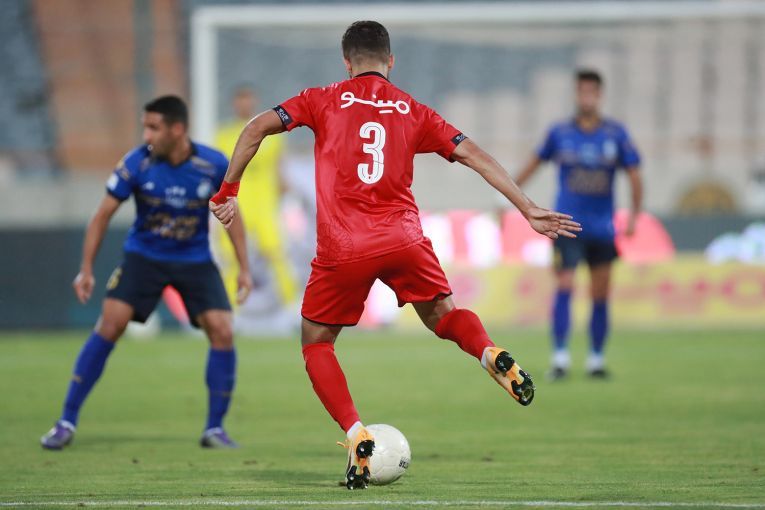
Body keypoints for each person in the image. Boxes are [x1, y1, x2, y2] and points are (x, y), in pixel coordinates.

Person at [209, 21, 580, 489]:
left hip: (344, 245)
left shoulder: (321, 99)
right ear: (391, 60)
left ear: (347, 62)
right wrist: (526, 207)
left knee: (317, 343)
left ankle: (355, 434)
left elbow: (256, 128)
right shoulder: (414, 109)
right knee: (445, 316)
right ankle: (488, 350)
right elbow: (474, 155)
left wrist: (228, 190)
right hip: (404, 240)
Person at [40, 96, 252, 450]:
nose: (146, 135)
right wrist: (86, 269)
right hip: (144, 258)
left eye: (153, 127)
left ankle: (215, 429)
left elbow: (231, 214)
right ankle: (65, 421)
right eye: (145, 126)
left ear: (177, 129)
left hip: (194, 259)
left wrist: (244, 268)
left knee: (222, 330)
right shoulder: (136, 163)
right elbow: (102, 215)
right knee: (110, 325)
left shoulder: (213, 163)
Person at [515, 69, 643, 380]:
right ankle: (560, 358)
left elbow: (634, 175)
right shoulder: (559, 133)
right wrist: (509, 197)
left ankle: (596, 360)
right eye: (581, 91)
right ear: (576, 94)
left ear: (599, 95)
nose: (586, 97)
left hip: (601, 228)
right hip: (566, 225)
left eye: (591, 92)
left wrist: (634, 215)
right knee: (565, 285)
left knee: (600, 292)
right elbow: (533, 164)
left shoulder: (615, 134)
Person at [215, 86, 298, 307]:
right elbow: (219, 173)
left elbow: (280, 170)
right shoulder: (223, 136)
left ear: (254, 102)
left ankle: (292, 305)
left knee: (276, 254)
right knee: (231, 257)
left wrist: (286, 197)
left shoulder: (271, 134)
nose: (244, 104)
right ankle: (228, 308)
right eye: (240, 100)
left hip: (264, 204)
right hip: (236, 203)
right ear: (234, 104)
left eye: (247, 99)